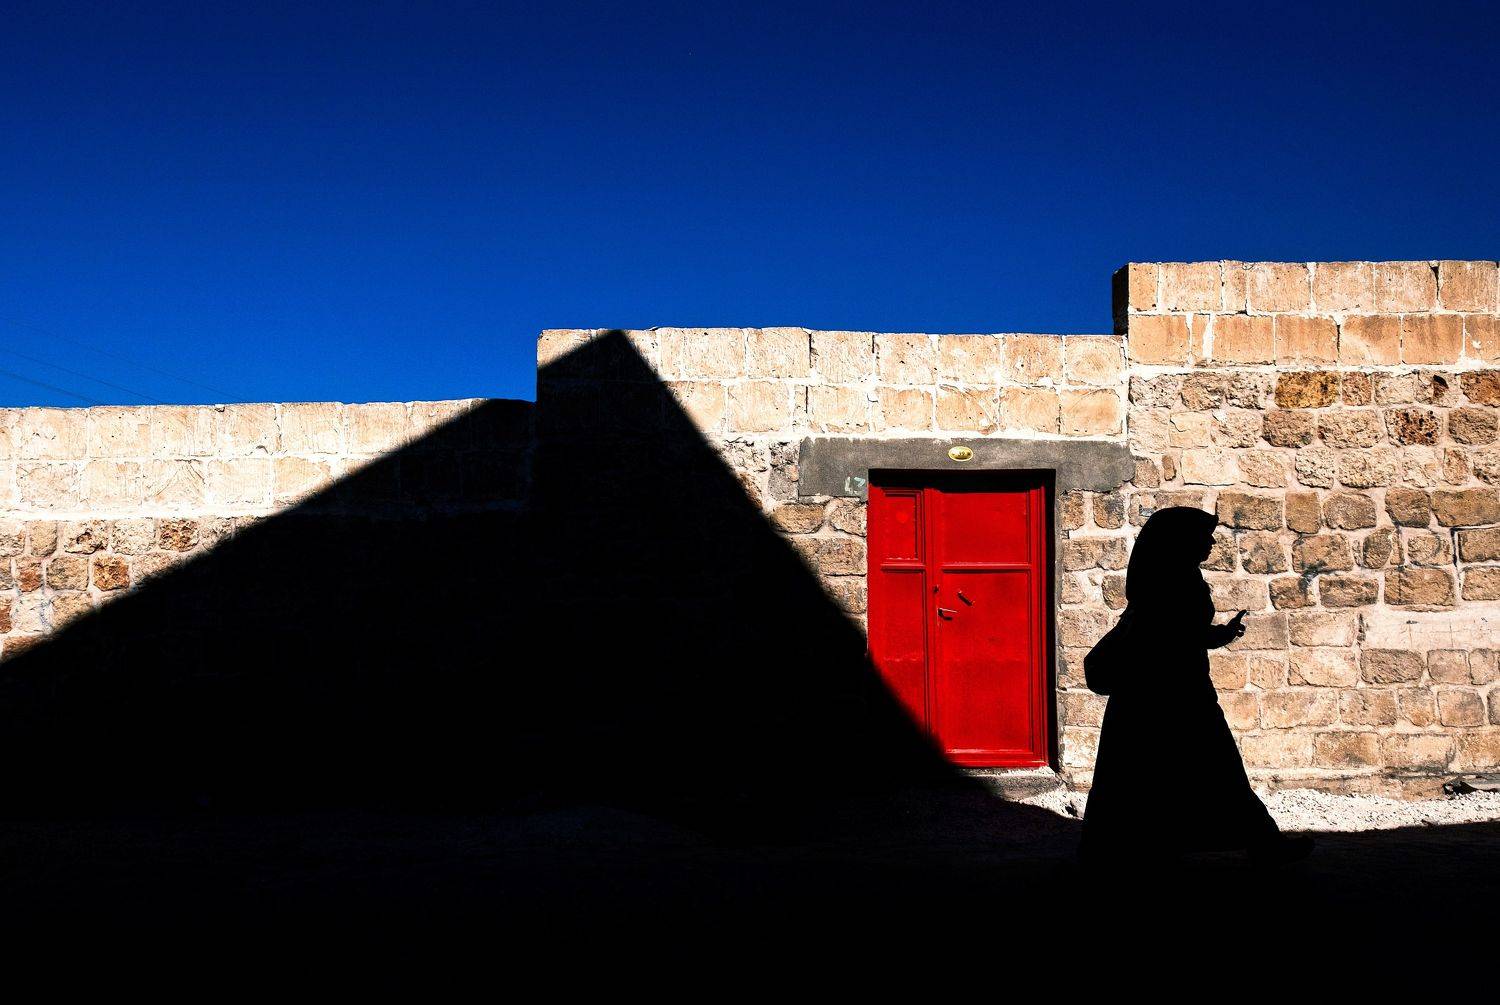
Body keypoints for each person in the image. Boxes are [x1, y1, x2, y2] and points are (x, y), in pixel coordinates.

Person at [1078, 506, 1314, 867]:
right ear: (1182, 541)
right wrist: (1216, 635)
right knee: (1217, 770)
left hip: (1152, 696)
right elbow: (1176, 635)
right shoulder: (1174, 581)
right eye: (1205, 536)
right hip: (1179, 695)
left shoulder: (1164, 578)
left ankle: (1130, 850)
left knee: (1144, 774)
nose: (1211, 543)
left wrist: (1219, 634)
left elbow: (1180, 633)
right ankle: (1263, 843)